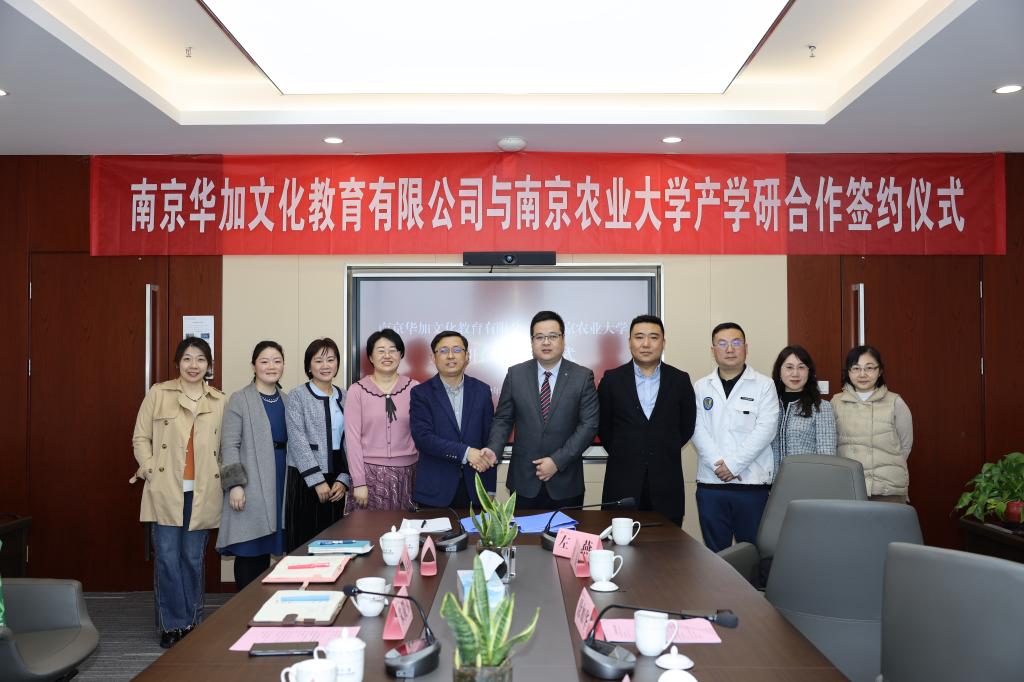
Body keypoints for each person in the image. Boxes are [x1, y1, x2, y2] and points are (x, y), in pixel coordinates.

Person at [132, 337, 225, 648]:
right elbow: (140, 437)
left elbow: (227, 447)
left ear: (209, 365)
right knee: (167, 559)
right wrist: (149, 470)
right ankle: (172, 625)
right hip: (165, 491)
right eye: (187, 358)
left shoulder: (220, 401)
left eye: (200, 359)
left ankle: (191, 622)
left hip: (202, 492)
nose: (193, 365)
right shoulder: (159, 394)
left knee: (192, 559)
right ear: (177, 363)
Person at [484, 310, 599, 509]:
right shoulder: (515, 374)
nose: (546, 342)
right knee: (523, 530)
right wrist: (494, 449)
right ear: (532, 341)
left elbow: (589, 426)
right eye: (539, 337)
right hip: (524, 480)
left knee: (565, 529)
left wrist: (557, 461)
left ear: (563, 339)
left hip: (565, 481)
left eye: (552, 336)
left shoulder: (582, 376)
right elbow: (503, 419)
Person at [598, 314, 696, 527]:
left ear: (663, 342)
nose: (646, 344)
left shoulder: (680, 380)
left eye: (653, 337)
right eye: (639, 337)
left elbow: (686, 427)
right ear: (629, 342)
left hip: (666, 485)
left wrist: (661, 446)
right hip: (622, 485)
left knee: (666, 546)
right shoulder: (612, 380)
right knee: (620, 545)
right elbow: (603, 427)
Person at [691, 323, 779, 552]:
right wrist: (719, 464)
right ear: (712, 350)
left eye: (736, 342)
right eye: (722, 343)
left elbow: (766, 430)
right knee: (715, 555)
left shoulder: (764, 385)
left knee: (752, 554)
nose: (730, 349)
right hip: (711, 484)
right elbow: (696, 429)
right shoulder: (701, 386)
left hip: (752, 485)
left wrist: (733, 465)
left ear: (746, 348)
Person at [216, 341, 289, 590]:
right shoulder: (240, 399)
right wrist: (235, 485)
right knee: (250, 548)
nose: (271, 366)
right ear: (253, 366)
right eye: (264, 361)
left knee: (269, 547)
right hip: (251, 482)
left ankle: (262, 606)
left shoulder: (287, 400)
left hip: (280, 478)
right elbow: (229, 445)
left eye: (277, 361)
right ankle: (244, 607)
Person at [410, 331, 497, 508]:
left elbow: (490, 440)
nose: (450, 356)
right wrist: (466, 452)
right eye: (443, 350)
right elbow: (423, 438)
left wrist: (490, 488)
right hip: (435, 490)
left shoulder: (482, 391)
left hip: (476, 489)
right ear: (433, 358)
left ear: (467, 356)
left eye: (457, 350)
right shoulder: (421, 393)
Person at [284, 338, 350, 552]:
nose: (325, 365)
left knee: (334, 543)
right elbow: (297, 440)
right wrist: (316, 480)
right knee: (304, 545)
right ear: (309, 366)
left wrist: (344, 478)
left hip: (337, 479)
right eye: (318, 360)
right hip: (305, 478)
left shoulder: (346, 396)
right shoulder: (297, 396)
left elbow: (351, 440)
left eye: (331, 360)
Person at [345, 328, 420, 512]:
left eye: (393, 350)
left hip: (408, 474)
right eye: (380, 351)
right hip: (369, 475)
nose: (387, 355)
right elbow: (352, 440)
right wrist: (359, 481)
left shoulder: (414, 389)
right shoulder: (357, 390)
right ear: (371, 357)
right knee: (368, 528)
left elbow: (422, 433)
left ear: (401, 354)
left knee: (405, 528)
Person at [831, 345, 913, 502]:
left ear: (880, 371)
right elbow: (831, 444)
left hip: (887, 487)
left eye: (869, 368)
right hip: (848, 485)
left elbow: (905, 446)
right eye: (856, 368)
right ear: (848, 372)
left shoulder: (895, 402)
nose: (862, 374)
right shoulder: (836, 402)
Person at [770, 345, 836, 475]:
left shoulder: (820, 407)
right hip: (771, 482)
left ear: (809, 372)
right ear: (779, 371)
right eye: (789, 367)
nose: (795, 373)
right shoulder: (768, 405)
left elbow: (827, 455)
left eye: (801, 367)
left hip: (807, 480)